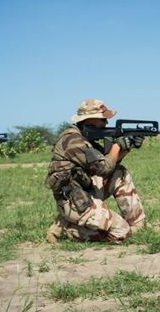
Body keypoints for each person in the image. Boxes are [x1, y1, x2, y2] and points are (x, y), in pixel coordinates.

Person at [44, 99, 146, 243]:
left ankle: (138, 225)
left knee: (119, 172)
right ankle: (67, 230)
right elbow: (104, 169)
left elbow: (107, 161)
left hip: (86, 190)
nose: (106, 123)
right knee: (121, 233)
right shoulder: (72, 140)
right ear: (90, 120)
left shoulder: (84, 137)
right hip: (75, 200)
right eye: (103, 120)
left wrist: (127, 147)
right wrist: (117, 146)